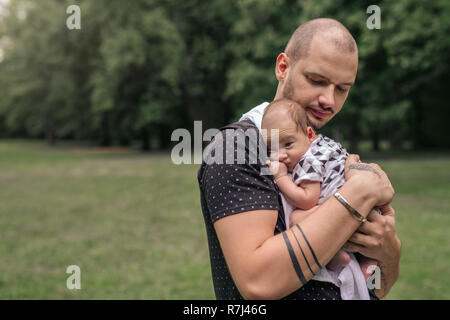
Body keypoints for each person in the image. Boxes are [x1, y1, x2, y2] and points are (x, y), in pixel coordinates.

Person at [198, 18, 400, 300]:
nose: (329, 100)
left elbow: (376, 289)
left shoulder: (325, 148)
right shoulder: (236, 147)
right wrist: (359, 193)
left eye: (342, 89)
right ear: (283, 67)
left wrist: (389, 253)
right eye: (317, 81)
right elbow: (259, 282)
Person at [260, 98, 378, 299]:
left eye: (288, 144)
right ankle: (369, 264)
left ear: (309, 134)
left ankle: (333, 256)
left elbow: (307, 199)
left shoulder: (310, 159)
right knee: (373, 273)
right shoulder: (326, 145)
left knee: (296, 218)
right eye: (272, 149)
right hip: (368, 208)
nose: (281, 156)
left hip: (351, 208)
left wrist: (280, 177)